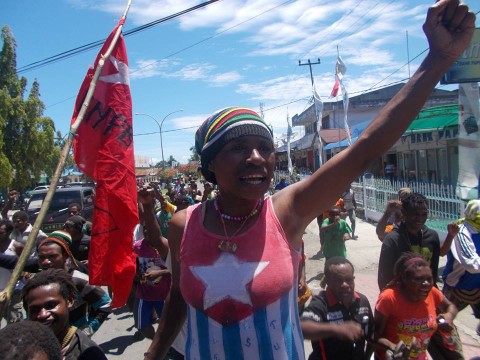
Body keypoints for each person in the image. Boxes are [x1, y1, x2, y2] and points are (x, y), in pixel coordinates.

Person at [145, 4, 476, 359]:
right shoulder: (185, 223)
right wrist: (155, 352)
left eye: (264, 148)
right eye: (238, 147)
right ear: (209, 164)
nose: (256, 157)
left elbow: (365, 150)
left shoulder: (287, 212)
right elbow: (179, 297)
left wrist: (437, 61)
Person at [374, 252, 461, 359]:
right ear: (404, 279)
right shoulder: (389, 298)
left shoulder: (432, 292)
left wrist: (449, 316)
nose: (426, 284)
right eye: (418, 279)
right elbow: (373, 335)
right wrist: (392, 346)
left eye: (429, 279)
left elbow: (451, 307)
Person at [22, 268, 107, 360]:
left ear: (69, 301)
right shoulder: (24, 349)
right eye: (34, 309)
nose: (42, 314)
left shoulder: (88, 354)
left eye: (50, 305)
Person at [301, 257, 374, 360]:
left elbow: (371, 334)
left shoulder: (362, 301)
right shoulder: (321, 303)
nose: (344, 285)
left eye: (349, 279)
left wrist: (391, 346)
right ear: (327, 281)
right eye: (338, 280)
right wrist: (337, 329)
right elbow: (303, 327)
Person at [378, 193, 440, 291]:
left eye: (424, 214)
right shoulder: (392, 240)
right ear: (404, 213)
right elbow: (384, 279)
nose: (420, 218)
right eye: (415, 214)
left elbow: (433, 274)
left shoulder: (432, 237)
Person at [134, 187, 172, 339]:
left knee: (168, 327)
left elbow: (177, 269)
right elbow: (132, 264)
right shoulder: (137, 246)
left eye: (151, 230)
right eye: (145, 230)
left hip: (163, 294)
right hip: (143, 294)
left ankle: (164, 348)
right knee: (142, 326)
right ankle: (156, 343)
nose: (148, 233)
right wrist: (135, 273)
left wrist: (159, 273)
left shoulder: (166, 246)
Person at [442, 199, 480, 337]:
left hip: (478, 285)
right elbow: (471, 263)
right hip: (457, 286)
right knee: (441, 321)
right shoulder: (462, 232)